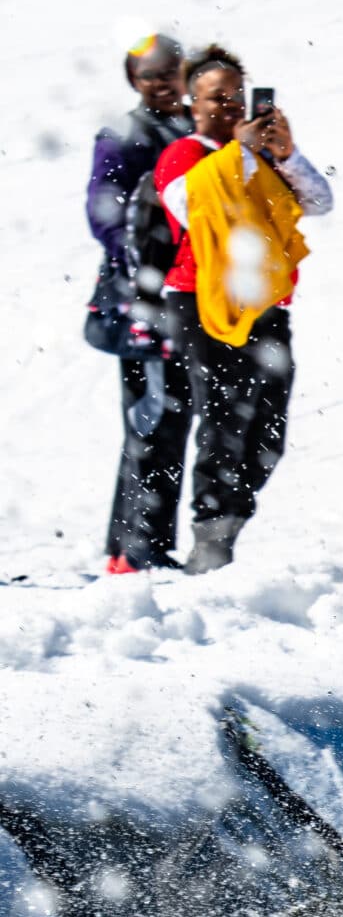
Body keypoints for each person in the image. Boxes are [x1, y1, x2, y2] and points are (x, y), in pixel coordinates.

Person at [153, 45, 333, 573]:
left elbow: (319, 203)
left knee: (268, 430)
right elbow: (188, 205)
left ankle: (230, 520)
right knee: (224, 416)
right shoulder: (188, 153)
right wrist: (239, 154)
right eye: (216, 98)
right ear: (192, 103)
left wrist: (286, 154)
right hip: (203, 301)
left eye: (236, 96)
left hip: (264, 303)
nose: (229, 107)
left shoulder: (260, 155)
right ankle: (212, 537)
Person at [87, 34, 196, 573]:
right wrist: (144, 269)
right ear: (133, 80)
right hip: (143, 301)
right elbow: (103, 211)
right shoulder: (126, 133)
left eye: (170, 70)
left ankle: (128, 546)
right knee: (156, 414)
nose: (161, 81)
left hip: (183, 295)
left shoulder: (194, 129)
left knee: (164, 415)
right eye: (148, 73)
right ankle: (139, 548)